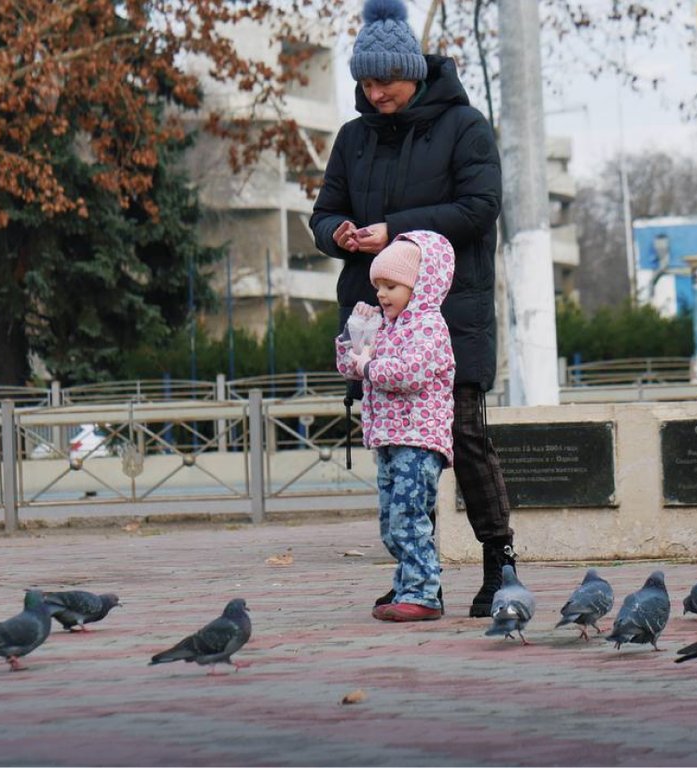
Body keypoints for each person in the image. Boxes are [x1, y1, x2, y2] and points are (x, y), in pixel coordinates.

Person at [311, 0, 516, 618]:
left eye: (386, 81)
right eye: (365, 83)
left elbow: (480, 208)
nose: (375, 94)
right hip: (380, 322)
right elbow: (323, 212)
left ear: (415, 72)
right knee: (400, 452)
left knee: (464, 435)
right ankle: (415, 579)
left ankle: (499, 565)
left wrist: (393, 231)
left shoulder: (466, 127)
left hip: (453, 317)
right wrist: (339, 233)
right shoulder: (352, 139)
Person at [336, 231, 455, 621]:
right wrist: (355, 336)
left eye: (391, 285)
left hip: (419, 439)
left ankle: (423, 594)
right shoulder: (387, 327)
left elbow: (410, 373)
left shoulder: (429, 326)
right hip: (388, 436)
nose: (382, 294)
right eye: (378, 286)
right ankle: (408, 588)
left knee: (409, 517)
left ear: (418, 285)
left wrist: (368, 366)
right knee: (391, 526)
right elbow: (351, 366)